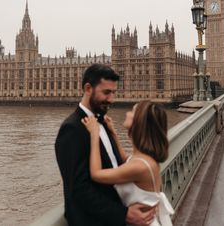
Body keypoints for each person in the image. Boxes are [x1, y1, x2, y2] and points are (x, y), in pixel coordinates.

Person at [55, 64, 155, 226]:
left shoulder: (104, 122)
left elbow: (117, 164)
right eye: (106, 92)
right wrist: (124, 214)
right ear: (88, 89)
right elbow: (79, 190)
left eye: (114, 92)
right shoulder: (72, 129)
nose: (112, 99)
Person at [82, 100, 174, 226]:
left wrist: (94, 134)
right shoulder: (144, 159)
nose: (127, 113)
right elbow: (125, 159)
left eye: (132, 111)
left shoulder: (140, 166)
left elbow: (96, 174)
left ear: (140, 121)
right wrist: (114, 133)